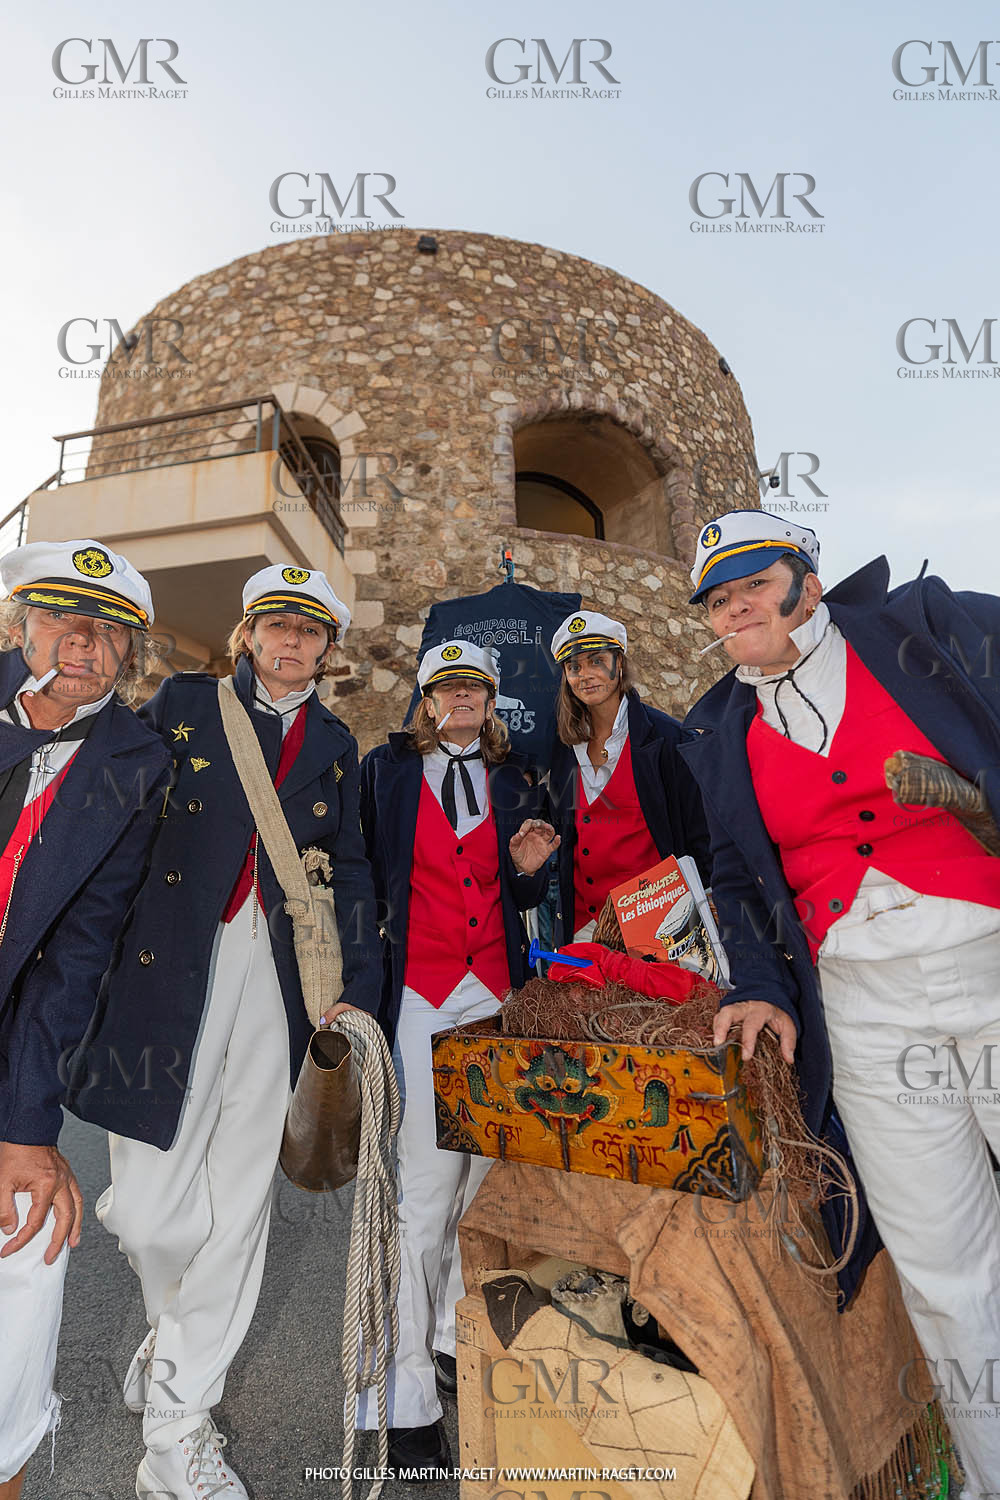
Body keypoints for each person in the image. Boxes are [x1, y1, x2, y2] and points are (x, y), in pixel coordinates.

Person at [681, 508, 1000, 1497]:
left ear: (805, 586)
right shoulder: (715, 725)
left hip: (987, 957)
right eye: (717, 601)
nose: (736, 611)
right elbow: (732, 878)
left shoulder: (928, 627)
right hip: (861, 1006)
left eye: (752, 589)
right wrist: (762, 985)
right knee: (945, 1275)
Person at [66, 564, 382, 1500]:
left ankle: (177, 1427)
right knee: (156, 1216)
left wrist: (354, 980)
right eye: (276, 626)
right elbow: (118, 821)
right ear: (247, 634)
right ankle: (171, 1333)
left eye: (310, 630)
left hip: (279, 984)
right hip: (172, 968)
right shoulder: (184, 704)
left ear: (328, 647)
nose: (292, 643)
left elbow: (353, 864)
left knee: (240, 1207)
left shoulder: (334, 741)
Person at [359, 639, 555, 1475]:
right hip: (421, 994)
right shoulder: (388, 770)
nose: (461, 698)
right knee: (427, 1196)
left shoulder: (519, 780)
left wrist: (528, 876)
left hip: (496, 994)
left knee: (483, 1181)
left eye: (474, 686)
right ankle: (400, 1401)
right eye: (446, 687)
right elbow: (365, 876)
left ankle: (445, 1338)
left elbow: (524, 896)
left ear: (492, 698)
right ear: (426, 699)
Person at [0, 539, 169, 1500]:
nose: (83, 642)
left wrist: (26, 1129)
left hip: (13, 1022)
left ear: (130, 658)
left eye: (108, 632)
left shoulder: (133, 762)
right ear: (21, 627)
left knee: (29, 1227)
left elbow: (78, 953)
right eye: (62, 619)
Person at [546, 609, 711, 945]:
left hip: (658, 929)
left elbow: (702, 838)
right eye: (573, 666)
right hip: (582, 930)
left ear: (618, 664)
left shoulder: (669, 740)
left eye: (596, 660)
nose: (585, 674)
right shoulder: (562, 748)